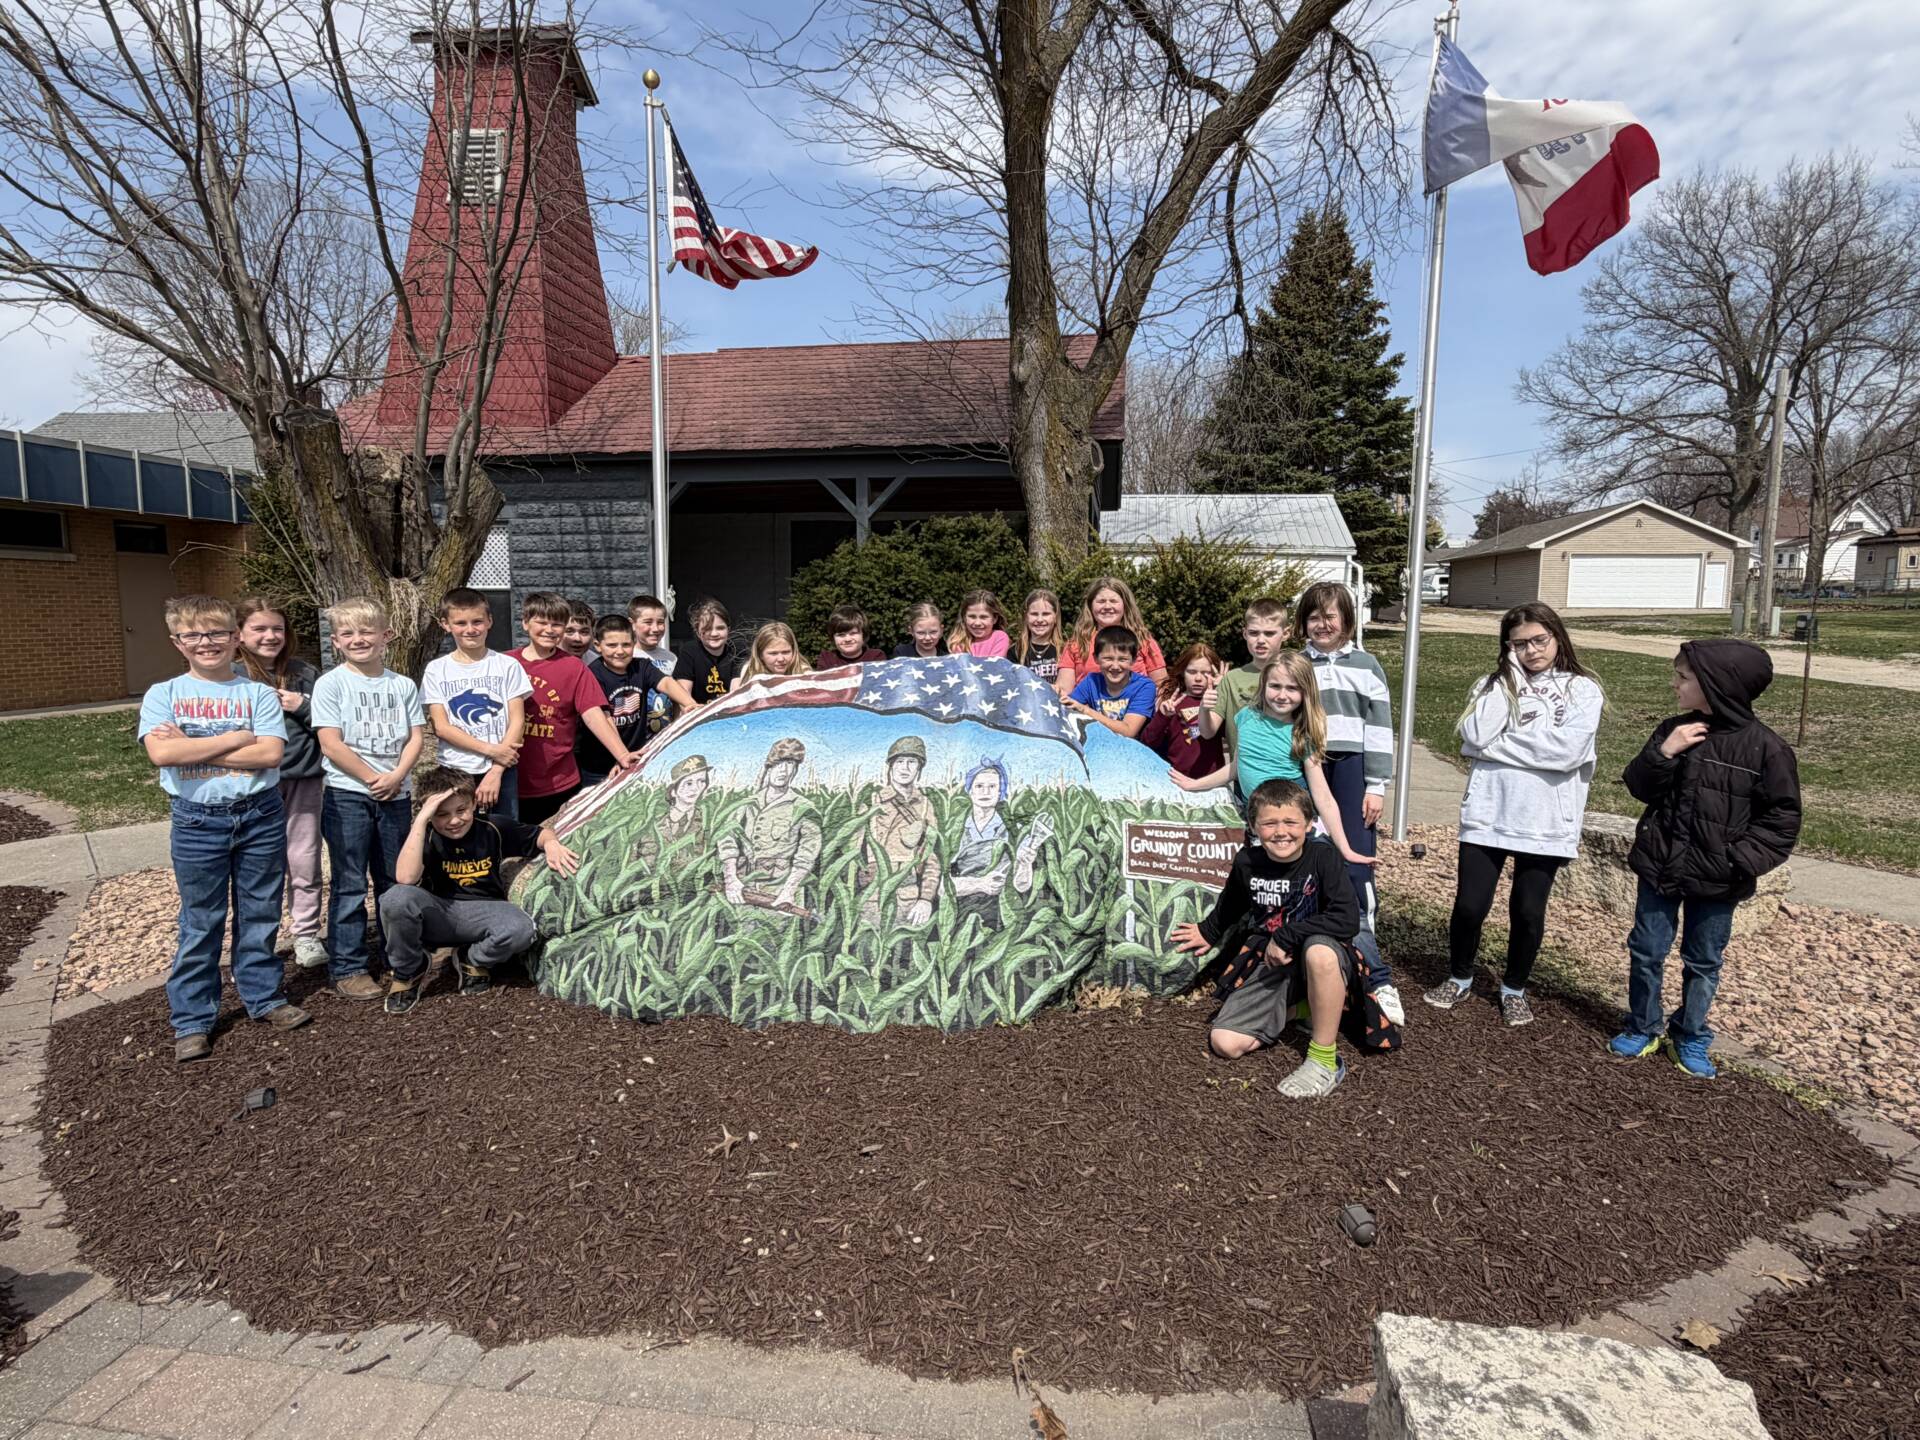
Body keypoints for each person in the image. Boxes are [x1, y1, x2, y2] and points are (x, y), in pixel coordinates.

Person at [1608, 640, 1801, 1079]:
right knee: (1646, 950)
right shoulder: (1674, 731)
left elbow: (1782, 820)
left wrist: (1738, 861)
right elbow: (1639, 786)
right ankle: (1642, 1025)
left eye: (1683, 677)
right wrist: (1664, 753)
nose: (1674, 684)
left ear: (1717, 685)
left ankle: (1691, 1035)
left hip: (1719, 880)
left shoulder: (1767, 750)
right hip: (1660, 867)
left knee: (1703, 961)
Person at [140, 594, 310, 1062]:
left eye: (216, 632)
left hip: (259, 815)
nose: (206, 642)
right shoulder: (163, 694)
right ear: (177, 642)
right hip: (197, 820)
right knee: (201, 920)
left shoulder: (257, 694)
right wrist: (237, 738)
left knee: (260, 912)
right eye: (193, 635)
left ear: (236, 638)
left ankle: (265, 997)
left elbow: (269, 755)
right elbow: (162, 754)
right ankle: (193, 1019)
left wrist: (194, 745)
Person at [1425, 605, 1604, 1027]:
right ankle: (1460, 976)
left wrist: (1494, 747)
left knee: (1527, 910)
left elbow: (1567, 754)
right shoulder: (1492, 685)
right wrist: (1509, 675)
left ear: (1557, 636)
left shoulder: (1582, 690)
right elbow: (1474, 734)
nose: (1531, 650)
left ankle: (1514, 988)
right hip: (1488, 812)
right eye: (1519, 643)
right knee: (1470, 906)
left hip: (1545, 820)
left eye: (1539, 640)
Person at [1170, 779, 1399, 1099]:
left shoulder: (1323, 857)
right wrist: (1206, 931)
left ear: (1309, 824)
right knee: (1225, 1043)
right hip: (1274, 961)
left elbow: (1347, 920)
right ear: (1253, 826)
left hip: (1325, 958)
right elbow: (1231, 904)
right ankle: (1306, 1009)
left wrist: (1287, 934)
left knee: (1318, 951)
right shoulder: (1248, 862)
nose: (1281, 832)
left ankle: (1324, 1060)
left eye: (1291, 822)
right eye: (1269, 823)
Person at [378, 766, 580, 1015]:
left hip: (485, 910)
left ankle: (472, 958)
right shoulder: (424, 835)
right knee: (395, 899)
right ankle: (410, 970)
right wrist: (420, 821)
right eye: (442, 814)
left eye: (461, 810)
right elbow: (405, 878)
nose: (454, 821)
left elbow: (539, 834)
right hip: (439, 911)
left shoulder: (493, 827)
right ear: (429, 814)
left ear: (474, 804)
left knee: (521, 929)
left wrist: (551, 844)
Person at [311, 596, 426, 1001]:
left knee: (395, 880)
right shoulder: (330, 684)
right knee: (349, 882)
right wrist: (371, 778)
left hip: (396, 794)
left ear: (386, 635)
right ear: (336, 641)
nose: (358, 639)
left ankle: (401, 957)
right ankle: (349, 965)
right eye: (348, 633)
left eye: (366, 631)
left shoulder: (402, 685)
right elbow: (330, 743)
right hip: (348, 795)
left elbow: (416, 737)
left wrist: (396, 776)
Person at [1173, 651, 1374, 868]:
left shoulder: (1302, 734)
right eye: (1275, 686)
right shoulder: (1246, 717)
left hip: (1294, 823)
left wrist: (1345, 849)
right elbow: (1237, 767)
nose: (1282, 695)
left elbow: (1323, 796)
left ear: (1305, 692)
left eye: (1292, 688)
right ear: (1264, 685)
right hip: (1262, 824)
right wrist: (1195, 784)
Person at [234, 596, 327, 970]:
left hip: (303, 780)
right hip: (253, 785)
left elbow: (333, 726)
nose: (270, 636)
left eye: (277, 628)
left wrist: (302, 706)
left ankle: (305, 934)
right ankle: (257, 944)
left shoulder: (306, 673)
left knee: (304, 860)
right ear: (240, 633)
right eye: (259, 629)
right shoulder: (231, 675)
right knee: (259, 865)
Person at [510, 591, 638, 827]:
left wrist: (622, 755)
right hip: (511, 778)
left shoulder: (574, 667)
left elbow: (594, 714)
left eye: (557, 624)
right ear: (525, 623)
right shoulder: (506, 663)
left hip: (558, 781)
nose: (549, 630)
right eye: (542, 622)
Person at [421, 587, 530, 819]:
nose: (470, 630)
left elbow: (517, 721)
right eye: (460, 623)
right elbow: (441, 727)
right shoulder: (436, 670)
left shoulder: (507, 666)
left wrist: (497, 769)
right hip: (455, 768)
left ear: (489, 621)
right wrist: (492, 750)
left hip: (502, 769)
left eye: (477, 621)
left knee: (503, 831)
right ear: (445, 624)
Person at [579, 614, 694, 785]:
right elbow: (604, 718)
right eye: (612, 645)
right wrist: (621, 755)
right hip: (599, 766)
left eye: (626, 644)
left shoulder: (642, 666)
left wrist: (690, 703)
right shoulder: (592, 674)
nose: (620, 651)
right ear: (597, 646)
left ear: (634, 643)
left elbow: (667, 683)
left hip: (635, 759)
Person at [717, 738, 822, 914]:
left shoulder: (803, 808)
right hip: (744, 890)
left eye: (790, 764)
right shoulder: (747, 804)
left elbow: (807, 854)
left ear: (796, 769)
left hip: (780, 893)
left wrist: (789, 891)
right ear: (769, 766)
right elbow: (727, 838)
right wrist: (731, 879)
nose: (784, 771)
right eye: (779, 764)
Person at [946, 756, 1050, 930]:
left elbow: (1021, 886)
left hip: (1000, 915)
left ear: (1000, 792)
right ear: (970, 791)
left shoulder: (1014, 832)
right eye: (979, 786)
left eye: (992, 787)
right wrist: (981, 884)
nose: (985, 792)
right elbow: (942, 887)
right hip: (958, 915)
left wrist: (1025, 864)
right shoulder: (954, 831)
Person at [859, 736, 941, 927]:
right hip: (873, 898)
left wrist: (926, 899)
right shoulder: (871, 802)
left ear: (919, 768)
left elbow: (932, 858)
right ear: (891, 766)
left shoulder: (925, 806)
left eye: (912, 762)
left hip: (909, 898)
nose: (905, 768)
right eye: (900, 761)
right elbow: (853, 854)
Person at [1197, 597, 1290, 754]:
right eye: (1254, 633)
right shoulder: (1231, 679)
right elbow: (1208, 732)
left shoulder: (1296, 675)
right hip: (1243, 768)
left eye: (1269, 633)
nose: (1261, 640)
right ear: (1245, 633)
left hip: (1287, 767)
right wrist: (1204, 708)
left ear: (1286, 633)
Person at [1058, 576, 1167, 692]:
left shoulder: (1143, 640)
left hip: (1136, 703)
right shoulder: (1077, 644)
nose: (1107, 606)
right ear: (1091, 605)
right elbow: (1064, 690)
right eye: (1101, 601)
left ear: (1125, 605)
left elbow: (1161, 685)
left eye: (1113, 601)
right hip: (1086, 703)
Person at [1142, 643, 1227, 783]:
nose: (1198, 678)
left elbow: (1232, 734)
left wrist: (1223, 692)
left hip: (1212, 780)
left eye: (1206, 673)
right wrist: (1162, 717)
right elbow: (1148, 742)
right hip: (1177, 779)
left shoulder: (1219, 701)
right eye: (1192, 672)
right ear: (1182, 672)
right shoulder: (1173, 702)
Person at [1064, 626, 1157, 739]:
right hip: (1099, 742)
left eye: (1122, 659)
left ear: (1133, 660)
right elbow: (1068, 707)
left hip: (1132, 746)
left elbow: (1128, 731)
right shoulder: (1091, 681)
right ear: (1096, 658)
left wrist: (1086, 710)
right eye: (1108, 659)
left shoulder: (1144, 687)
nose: (1115, 666)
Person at [634, 754, 713, 872]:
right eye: (689, 783)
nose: (696, 788)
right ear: (673, 791)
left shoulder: (709, 821)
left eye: (701, 781)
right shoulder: (651, 826)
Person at [627, 594, 679, 739]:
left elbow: (676, 698)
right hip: (636, 737)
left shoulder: (671, 658)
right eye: (648, 622)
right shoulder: (627, 656)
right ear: (632, 624)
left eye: (660, 622)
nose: (655, 628)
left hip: (665, 734)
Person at [676, 598, 742, 704]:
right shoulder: (689, 651)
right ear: (698, 633)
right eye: (707, 629)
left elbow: (736, 691)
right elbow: (683, 693)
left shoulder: (737, 651)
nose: (714, 634)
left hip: (729, 709)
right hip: (697, 710)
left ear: (728, 630)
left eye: (720, 628)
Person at [732, 622, 810, 690]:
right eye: (773, 653)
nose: (781, 659)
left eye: (786, 652)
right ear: (760, 654)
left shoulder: (804, 673)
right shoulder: (750, 672)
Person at [1015, 588, 1064, 690]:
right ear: (1026, 617)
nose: (1040, 619)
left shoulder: (1064, 650)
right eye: (1034, 614)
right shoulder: (1015, 651)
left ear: (1055, 617)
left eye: (1046, 614)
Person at [816, 604, 886, 667]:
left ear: (863, 634)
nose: (848, 639)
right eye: (841, 635)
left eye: (853, 633)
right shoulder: (827, 659)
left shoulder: (875, 657)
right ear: (833, 637)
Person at [947, 589, 1010, 658]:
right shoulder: (959, 643)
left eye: (983, 617)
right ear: (964, 617)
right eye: (972, 616)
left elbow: (994, 663)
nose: (977, 623)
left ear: (994, 618)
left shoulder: (999, 638)